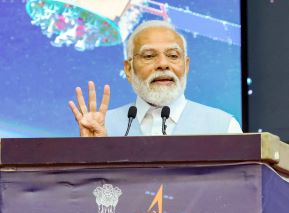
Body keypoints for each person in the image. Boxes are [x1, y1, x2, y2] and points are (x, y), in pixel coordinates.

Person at [69, 20, 242, 137]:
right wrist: (91, 151)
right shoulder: (101, 127)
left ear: (186, 66)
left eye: (173, 56)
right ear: (129, 69)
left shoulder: (224, 127)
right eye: (149, 56)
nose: (163, 64)